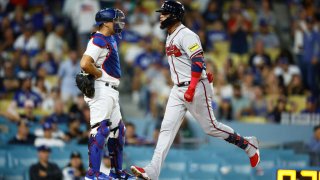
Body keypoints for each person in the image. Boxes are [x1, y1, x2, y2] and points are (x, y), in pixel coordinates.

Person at [130, 1, 260, 180]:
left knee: (211, 127)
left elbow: (198, 62)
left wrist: (192, 87)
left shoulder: (187, 34)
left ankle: (248, 145)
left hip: (195, 86)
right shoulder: (169, 35)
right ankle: (152, 171)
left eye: (165, 13)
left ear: (174, 15)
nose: (160, 16)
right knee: (166, 129)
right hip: (177, 89)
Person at [79, 8, 134, 179]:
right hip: (101, 89)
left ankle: (116, 172)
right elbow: (85, 63)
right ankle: (92, 174)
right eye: (116, 20)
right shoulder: (98, 39)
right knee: (100, 130)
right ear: (105, 22)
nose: (119, 23)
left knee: (119, 131)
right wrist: (99, 74)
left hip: (111, 90)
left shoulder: (110, 38)